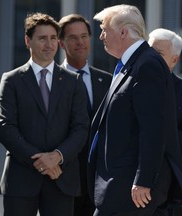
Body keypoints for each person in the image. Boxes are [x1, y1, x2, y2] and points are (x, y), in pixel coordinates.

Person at [87, 4, 182, 216]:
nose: (101, 36)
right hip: (116, 184)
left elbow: (153, 129)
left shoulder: (147, 64)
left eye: (105, 29)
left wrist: (143, 180)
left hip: (132, 189)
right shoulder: (129, 64)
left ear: (122, 32)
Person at [0, 12, 90, 216]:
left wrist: (57, 157)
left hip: (61, 178)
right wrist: (40, 162)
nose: (49, 44)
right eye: (42, 38)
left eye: (53, 38)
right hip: (21, 180)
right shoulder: (11, 80)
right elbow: (5, 127)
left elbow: (81, 127)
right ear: (27, 41)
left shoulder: (73, 81)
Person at [58, 14, 112, 216]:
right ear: (61, 43)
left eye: (84, 36)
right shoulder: (53, 80)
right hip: (62, 178)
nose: (80, 42)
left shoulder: (107, 81)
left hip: (99, 179)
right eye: (72, 37)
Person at [148, 28, 182, 215]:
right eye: (149, 51)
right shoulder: (131, 85)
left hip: (171, 192)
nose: (151, 58)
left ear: (174, 60)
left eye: (158, 54)